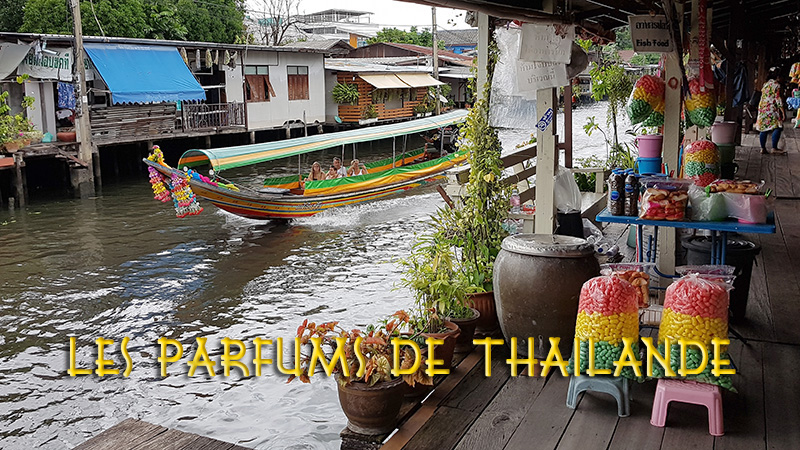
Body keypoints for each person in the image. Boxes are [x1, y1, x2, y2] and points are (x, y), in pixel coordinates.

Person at [755, 69, 786, 155]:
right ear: (778, 77)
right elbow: (778, 99)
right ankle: (774, 148)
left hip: (762, 108)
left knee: (763, 128)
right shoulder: (776, 85)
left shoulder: (765, 84)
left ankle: (762, 148)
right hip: (771, 109)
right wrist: (783, 112)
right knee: (778, 126)